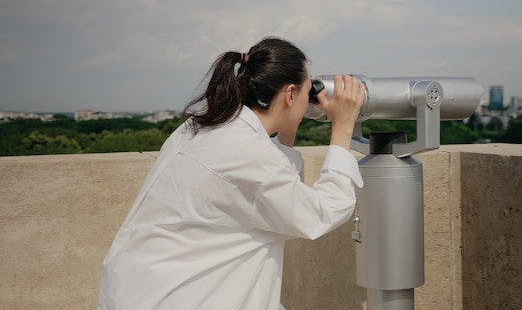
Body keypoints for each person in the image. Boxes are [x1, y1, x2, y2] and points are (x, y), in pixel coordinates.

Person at [97, 36, 366, 309]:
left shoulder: (203, 125)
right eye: (308, 90)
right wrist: (343, 127)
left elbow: (262, 184)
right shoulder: (248, 153)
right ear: (290, 94)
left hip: (142, 288)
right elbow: (320, 213)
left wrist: (288, 123)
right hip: (178, 298)